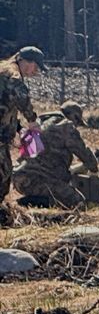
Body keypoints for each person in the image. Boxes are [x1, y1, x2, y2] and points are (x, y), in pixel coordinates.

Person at [15, 101, 97, 208]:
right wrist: (94, 168)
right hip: (39, 179)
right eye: (77, 122)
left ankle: (35, 200)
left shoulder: (40, 124)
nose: (76, 125)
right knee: (77, 201)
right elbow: (83, 152)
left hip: (21, 178)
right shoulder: (65, 127)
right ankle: (28, 202)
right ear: (74, 117)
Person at [0, 46, 46, 204]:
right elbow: (21, 95)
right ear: (26, 62)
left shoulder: (4, 70)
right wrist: (32, 120)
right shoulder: (13, 75)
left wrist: (19, 128)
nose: (36, 71)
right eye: (36, 67)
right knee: (4, 175)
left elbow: (5, 106)